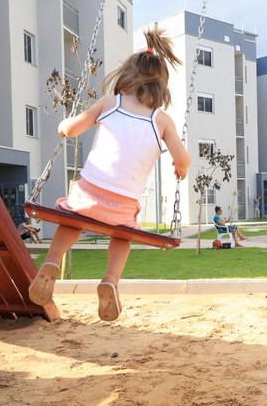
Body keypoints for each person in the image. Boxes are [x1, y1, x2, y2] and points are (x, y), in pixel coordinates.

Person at [28, 28, 191, 322]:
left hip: (88, 194)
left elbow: (72, 129)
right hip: (123, 206)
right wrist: (180, 169)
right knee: (123, 234)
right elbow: (183, 159)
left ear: (126, 76)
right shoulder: (162, 120)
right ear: (161, 86)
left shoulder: (108, 103)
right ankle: (110, 281)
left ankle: (52, 261)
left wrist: (64, 125)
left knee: (71, 217)